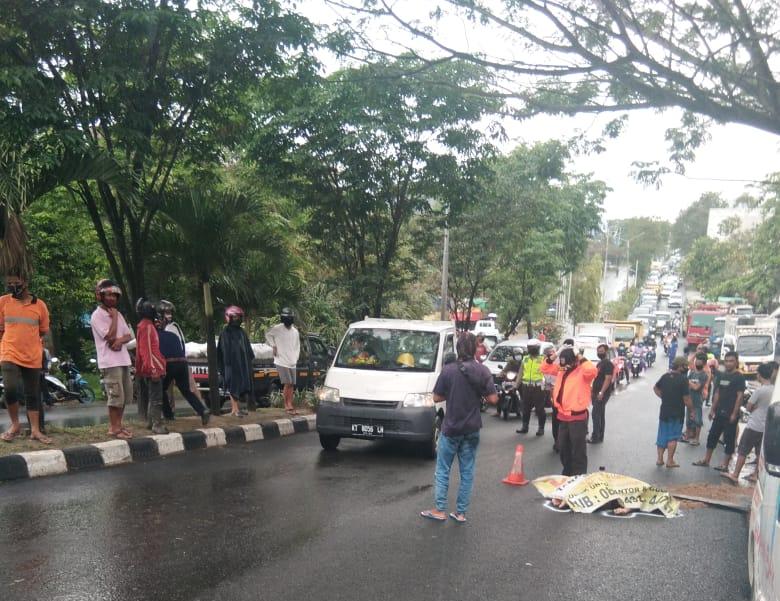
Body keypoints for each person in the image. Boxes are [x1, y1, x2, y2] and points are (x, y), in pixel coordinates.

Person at [420, 332, 497, 523]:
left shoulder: (448, 370)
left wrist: (452, 392)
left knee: (443, 469)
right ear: (474, 349)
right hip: (472, 429)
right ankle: (461, 513)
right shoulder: (483, 371)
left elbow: (437, 397)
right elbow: (493, 399)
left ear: (457, 349)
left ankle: (439, 510)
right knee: (467, 471)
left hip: (451, 428)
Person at [0, 271, 52, 444]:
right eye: (9, 283)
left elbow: (43, 330)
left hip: (32, 355)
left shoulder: (40, 305)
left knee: (32, 394)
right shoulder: (3, 302)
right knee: (10, 388)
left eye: (16, 282)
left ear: (26, 282)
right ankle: (15, 425)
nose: (12, 286)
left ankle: (35, 430)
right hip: (9, 352)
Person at [540, 347, 597, 476]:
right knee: (563, 448)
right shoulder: (562, 370)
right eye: (562, 363)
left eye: (567, 363)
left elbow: (592, 370)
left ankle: (579, 476)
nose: (564, 366)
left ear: (574, 361)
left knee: (578, 451)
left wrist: (579, 356)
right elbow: (544, 368)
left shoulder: (582, 371)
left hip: (577, 418)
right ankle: (567, 473)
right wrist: (556, 355)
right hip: (563, 416)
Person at [90, 280, 134, 439]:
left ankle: (119, 425)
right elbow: (108, 336)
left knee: (125, 396)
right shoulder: (97, 315)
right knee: (115, 396)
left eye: (115, 295)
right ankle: (113, 428)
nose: (112, 298)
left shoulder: (119, 314)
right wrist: (114, 317)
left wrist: (119, 341)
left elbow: (128, 335)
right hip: (110, 362)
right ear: (100, 295)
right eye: (108, 294)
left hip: (123, 360)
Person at [723, 362, 776, 484]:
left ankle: (735, 474)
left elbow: (748, 407)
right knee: (759, 453)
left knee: (743, 450)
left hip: (754, 425)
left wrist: (753, 407)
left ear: (760, 375)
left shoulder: (760, 390)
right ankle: (756, 474)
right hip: (766, 427)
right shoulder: (774, 390)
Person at [156, 307, 210, 426]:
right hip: (182, 363)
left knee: (160, 389)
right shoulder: (173, 334)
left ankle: (168, 415)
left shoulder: (154, 336)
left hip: (169, 364)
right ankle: (202, 410)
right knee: (186, 390)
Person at [693, 351, 746, 471]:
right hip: (719, 412)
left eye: (731, 361)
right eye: (726, 361)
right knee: (712, 436)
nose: (728, 363)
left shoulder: (739, 377)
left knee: (729, 440)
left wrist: (734, 413)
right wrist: (712, 409)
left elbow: (739, 396)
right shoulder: (722, 375)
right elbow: (717, 393)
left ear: (736, 362)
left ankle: (725, 465)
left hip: (730, 414)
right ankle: (706, 460)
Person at [159, 299, 204, 405]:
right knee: (186, 387)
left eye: (170, 313)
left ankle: (201, 408)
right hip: (177, 361)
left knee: (189, 388)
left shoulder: (171, 328)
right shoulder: (171, 327)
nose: (169, 315)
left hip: (176, 361)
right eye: (166, 313)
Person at [653, 357, 694, 468]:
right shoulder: (683, 379)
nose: (687, 368)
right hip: (677, 413)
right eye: (685, 366)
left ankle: (659, 459)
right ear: (680, 366)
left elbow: (655, 388)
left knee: (662, 435)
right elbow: (687, 399)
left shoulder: (665, 376)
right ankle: (670, 461)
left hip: (664, 411)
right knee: (673, 437)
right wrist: (692, 411)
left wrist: (664, 397)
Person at [135, 298, 168, 434]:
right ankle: (157, 424)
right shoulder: (147, 327)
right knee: (156, 398)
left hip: (149, 367)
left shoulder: (144, 325)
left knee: (152, 396)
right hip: (153, 368)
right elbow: (147, 350)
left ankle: (151, 422)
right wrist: (153, 369)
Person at [218, 305, 253, 417]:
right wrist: (228, 364)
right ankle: (234, 409)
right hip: (231, 364)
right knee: (233, 384)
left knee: (240, 384)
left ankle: (236, 409)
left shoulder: (241, 332)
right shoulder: (226, 332)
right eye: (235, 317)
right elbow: (224, 350)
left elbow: (247, 349)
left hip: (241, 364)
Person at [266, 307, 301, 416]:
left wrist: (295, 357)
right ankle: (287, 405)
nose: (288, 319)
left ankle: (290, 404)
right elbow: (268, 334)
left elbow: (297, 346)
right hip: (281, 361)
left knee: (291, 384)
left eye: (289, 317)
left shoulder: (295, 331)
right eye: (286, 317)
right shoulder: (277, 328)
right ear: (283, 318)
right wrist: (273, 346)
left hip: (292, 362)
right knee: (288, 383)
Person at [516, 339, 546, 436]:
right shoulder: (525, 359)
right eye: (530, 348)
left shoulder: (543, 359)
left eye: (533, 348)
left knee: (540, 409)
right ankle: (525, 426)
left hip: (538, 387)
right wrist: (516, 385)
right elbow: (520, 373)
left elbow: (548, 373)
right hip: (526, 387)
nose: (531, 350)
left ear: (538, 348)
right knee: (525, 408)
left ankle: (541, 428)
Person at [588, 343, 614, 444]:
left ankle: (595, 437)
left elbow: (608, 379)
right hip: (596, 392)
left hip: (601, 393)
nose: (599, 353)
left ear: (606, 352)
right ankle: (600, 436)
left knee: (595, 414)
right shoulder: (600, 363)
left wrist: (601, 392)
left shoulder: (607, 364)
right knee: (600, 414)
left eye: (602, 351)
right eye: (598, 351)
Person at [681, 353, 708, 446]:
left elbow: (697, 387)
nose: (697, 363)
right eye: (697, 361)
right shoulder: (692, 373)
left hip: (697, 401)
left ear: (703, 363)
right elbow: (686, 384)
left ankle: (697, 439)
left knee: (697, 421)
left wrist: (688, 382)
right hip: (689, 400)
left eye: (699, 362)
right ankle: (688, 436)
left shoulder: (704, 375)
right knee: (688, 420)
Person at [542, 345, 559, 450]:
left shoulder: (561, 363)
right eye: (549, 352)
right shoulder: (547, 363)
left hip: (568, 401)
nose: (551, 354)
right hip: (555, 397)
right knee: (556, 421)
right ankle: (557, 441)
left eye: (553, 352)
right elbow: (545, 372)